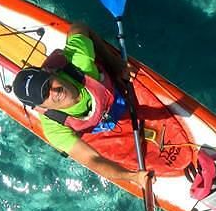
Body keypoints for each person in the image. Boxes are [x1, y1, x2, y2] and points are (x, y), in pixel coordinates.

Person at [11, 22, 150, 188]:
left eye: (48, 85)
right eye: (44, 95)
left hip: (117, 93)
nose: (54, 92)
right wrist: (132, 177)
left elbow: (80, 27)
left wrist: (116, 64)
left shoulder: (79, 60)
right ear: (40, 107)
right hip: (100, 126)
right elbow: (92, 159)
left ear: (50, 72)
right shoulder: (54, 128)